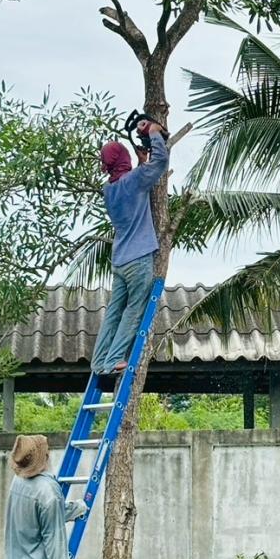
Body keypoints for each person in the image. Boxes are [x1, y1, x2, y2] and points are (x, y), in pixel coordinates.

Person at [91, 118, 169, 374]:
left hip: (121, 259)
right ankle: (114, 360)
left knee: (114, 312)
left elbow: (135, 183)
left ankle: (100, 361)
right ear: (123, 160)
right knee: (134, 309)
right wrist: (155, 134)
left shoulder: (109, 189)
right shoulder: (133, 181)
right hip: (138, 259)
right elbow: (160, 163)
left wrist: (140, 161)